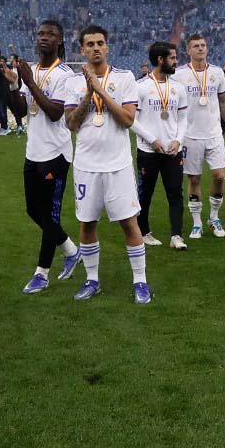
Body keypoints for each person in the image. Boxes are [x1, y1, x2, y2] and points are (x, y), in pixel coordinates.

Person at [61, 25, 151, 304]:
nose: (96, 48)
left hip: (119, 165)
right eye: (90, 44)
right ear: (82, 50)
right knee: (87, 223)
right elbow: (72, 124)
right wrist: (89, 93)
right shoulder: (72, 83)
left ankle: (140, 282)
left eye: (100, 43)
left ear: (108, 47)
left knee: (129, 222)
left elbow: (127, 120)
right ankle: (92, 280)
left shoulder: (125, 78)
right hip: (86, 165)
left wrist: (100, 89)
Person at [3, 19, 82, 295]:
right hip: (33, 151)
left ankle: (42, 273)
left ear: (60, 41)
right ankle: (71, 250)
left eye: (50, 34)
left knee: (49, 213)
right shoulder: (32, 70)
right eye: (40, 34)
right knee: (33, 211)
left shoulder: (67, 75)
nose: (43, 38)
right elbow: (22, 112)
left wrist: (29, 82)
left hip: (56, 154)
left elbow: (55, 112)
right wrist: (14, 86)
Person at [175, 33, 225, 239]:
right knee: (194, 179)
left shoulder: (217, 72)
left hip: (213, 134)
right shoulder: (179, 74)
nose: (200, 48)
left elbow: (223, 102)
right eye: (196, 46)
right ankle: (197, 222)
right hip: (190, 136)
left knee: (219, 176)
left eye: (203, 45)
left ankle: (214, 216)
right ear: (188, 50)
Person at [132, 42, 189, 251]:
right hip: (148, 151)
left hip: (172, 152)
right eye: (172, 58)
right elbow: (132, 120)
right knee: (145, 193)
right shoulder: (140, 87)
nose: (176, 61)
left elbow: (183, 119)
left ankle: (176, 236)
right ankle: (144, 232)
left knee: (175, 193)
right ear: (160, 60)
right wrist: (152, 140)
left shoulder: (178, 88)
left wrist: (178, 141)